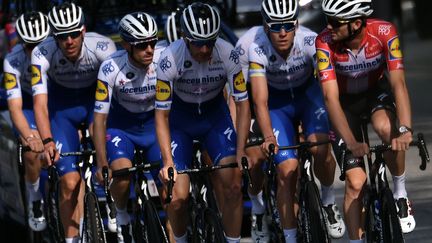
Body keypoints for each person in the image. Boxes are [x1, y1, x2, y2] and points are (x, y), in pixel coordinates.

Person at [244, 0, 346, 241]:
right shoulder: (256, 48)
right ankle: (290, 237)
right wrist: (268, 137)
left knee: (320, 145)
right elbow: (260, 101)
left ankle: (329, 201)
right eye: (276, 26)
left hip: (307, 96)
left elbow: (327, 86)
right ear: (266, 26)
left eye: (288, 26)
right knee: (287, 169)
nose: (282, 33)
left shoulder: (310, 41)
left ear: (297, 24)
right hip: (277, 104)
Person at [317, 0, 415, 241]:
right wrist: (351, 142)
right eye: (327, 20)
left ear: (356, 23)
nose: (329, 27)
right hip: (344, 104)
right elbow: (330, 98)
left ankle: (400, 192)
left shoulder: (384, 32)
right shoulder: (324, 42)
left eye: (334, 22)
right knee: (355, 182)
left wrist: (404, 129)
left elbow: (398, 83)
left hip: (374, 94)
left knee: (386, 128)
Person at [155, 3, 250, 243]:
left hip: (214, 118)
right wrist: (167, 161)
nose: (206, 48)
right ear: (185, 38)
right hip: (179, 123)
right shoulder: (169, 59)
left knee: (234, 186)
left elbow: (242, 104)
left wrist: (240, 151)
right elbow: (161, 115)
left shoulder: (228, 53)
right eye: (198, 42)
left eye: (210, 41)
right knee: (177, 198)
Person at [31, 3, 116, 242]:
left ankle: (114, 204)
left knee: (108, 147)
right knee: (69, 181)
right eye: (61, 36)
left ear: (83, 31)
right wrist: (47, 141)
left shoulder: (102, 46)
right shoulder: (41, 52)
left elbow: (116, 95)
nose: (68, 41)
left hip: (94, 107)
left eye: (73, 34)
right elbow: (39, 103)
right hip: (62, 111)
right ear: (54, 37)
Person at [93, 11, 163, 243]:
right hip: (122, 128)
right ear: (126, 45)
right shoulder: (110, 68)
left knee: (171, 187)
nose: (150, 50)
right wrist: (102, 162)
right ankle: (122, 214)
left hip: (155, 128)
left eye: (153, 42)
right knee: (121, 173)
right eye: (142, 45)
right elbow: (100, 119)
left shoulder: (164, 59)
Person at [3, 11, 50, 232]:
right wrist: (30, 136)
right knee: (31, 150)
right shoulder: (12, 60)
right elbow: (15, 108)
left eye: (41, 43)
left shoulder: (56, 49)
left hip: (53, 101)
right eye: (31, 45)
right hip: (28, 105)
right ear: (22, 43)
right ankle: (34, 197)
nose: (37, 50)